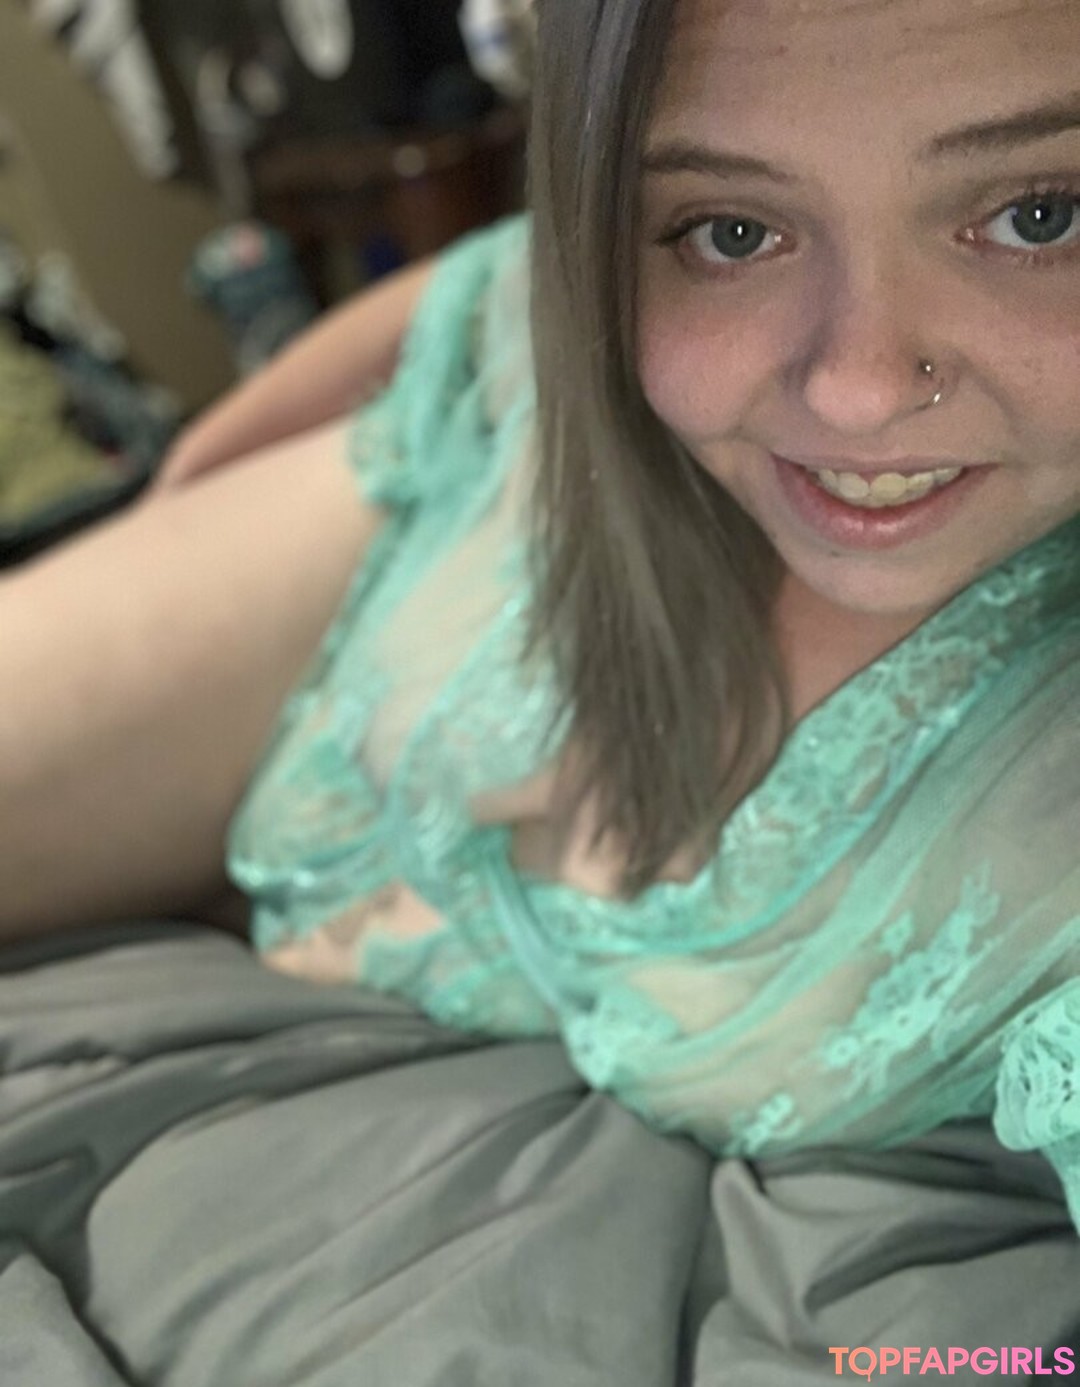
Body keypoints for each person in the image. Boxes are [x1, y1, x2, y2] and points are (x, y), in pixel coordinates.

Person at [2, 0, 1079, 1240]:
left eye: (1039, 217)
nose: (857, 389)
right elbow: (496, 288)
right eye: (733, 231)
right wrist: (186, 502)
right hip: (445, 503)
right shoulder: (538, 362)